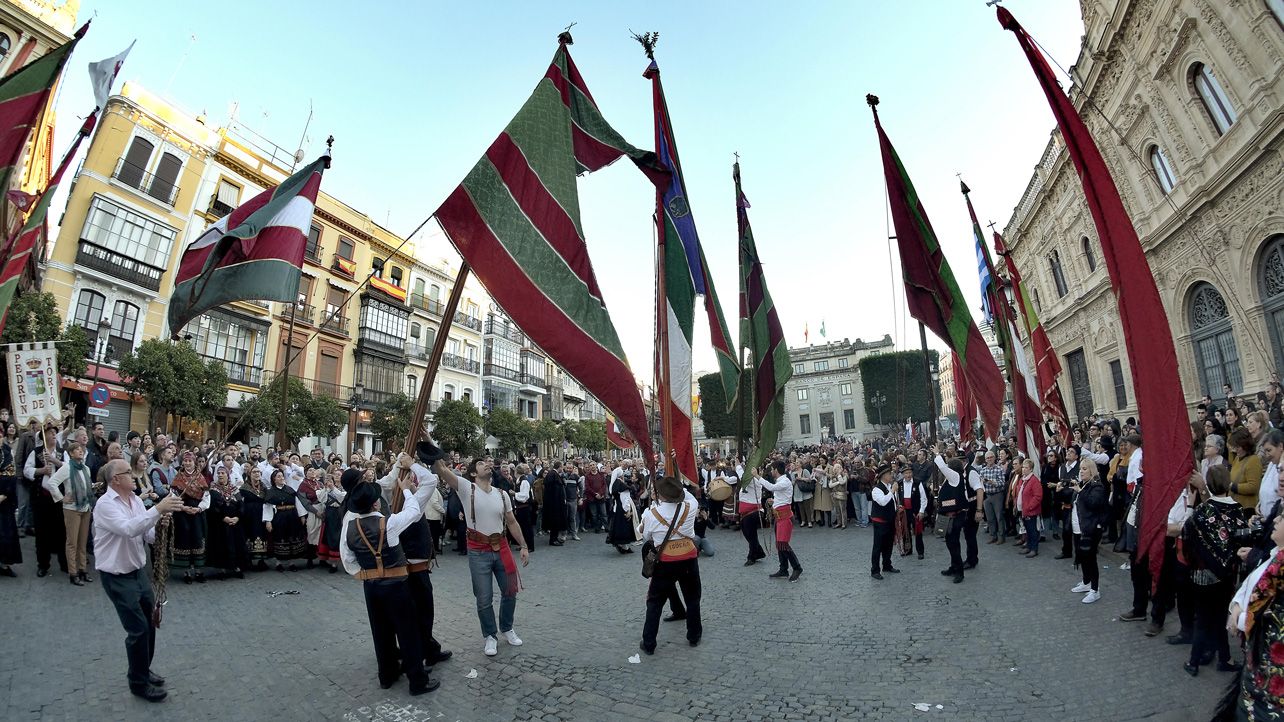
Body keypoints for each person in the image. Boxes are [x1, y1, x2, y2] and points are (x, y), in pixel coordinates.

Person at [94, 458, 185, 702]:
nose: (134, 476)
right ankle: (138, 683)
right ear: (115, 480)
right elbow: (128, 529)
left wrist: (160, 523)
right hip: (117, 577)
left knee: (149, 625)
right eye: (128, 473)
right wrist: (158, 509)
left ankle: (143, 669)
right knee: (137, 630)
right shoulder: (105, 505)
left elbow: (147, 534)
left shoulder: (134, 500)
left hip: (138, 573)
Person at [340, 478, 439, 695]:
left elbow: (348, 561)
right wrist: (405, 490)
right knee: (408, 631)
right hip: (396, 586)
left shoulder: (349, 527)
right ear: (376, 503)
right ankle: (417, 681)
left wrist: (368, 574)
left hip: (371, 586)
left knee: (381, 631)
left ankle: (387, 675)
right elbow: (413, 511)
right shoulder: (389, 523)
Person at [432, 451, 530, 657]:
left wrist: (523, 545)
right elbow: (441, 468)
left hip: (501, 546)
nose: (487, 464)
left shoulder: (501, 494)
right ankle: (490, 636)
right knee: (483, 598)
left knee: (510, 591)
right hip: (478, 550)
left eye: (487, 463)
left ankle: (507, 628)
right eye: (480, 464)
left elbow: (511, 522)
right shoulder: (468, 488)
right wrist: (430, 443)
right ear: (473, 474)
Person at [1180, 465, 1244, 677]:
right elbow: (1241, 542)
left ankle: (1194, 661)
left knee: (1204, 619)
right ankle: (1223, 658)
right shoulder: (1238, 510)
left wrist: (1195, 562)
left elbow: (1186, 536)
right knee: (1218, 617)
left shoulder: (1202, 511)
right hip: (1225, 576)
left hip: (1202, 575)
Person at [638, 475, 702, 654]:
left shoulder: (652, 514)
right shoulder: (690, 507)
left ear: (662, 495)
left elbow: (646, 537)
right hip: (688, 558)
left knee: (655, 602)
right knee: (693, 598)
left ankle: (649, 643)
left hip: (665, 561)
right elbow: (689, 496)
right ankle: (694, 635)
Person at [1228, 514, 1284, 719]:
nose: (1276, 520)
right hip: (1257, 670)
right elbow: (1249, 586)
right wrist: (1236, 608)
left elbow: (1274, 622)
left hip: (1271, 688)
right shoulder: (1276, 556)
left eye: (1283, 518)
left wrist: (1240, 618)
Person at [45, 440, 97, 586]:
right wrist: (62, 498)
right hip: (72, 509)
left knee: (82, 542)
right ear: (71, 453)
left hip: (85, 507)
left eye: (81, 449)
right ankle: (73, 573)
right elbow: (52, 483)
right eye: (77, 449)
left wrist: (93, 487)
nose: (81, 451)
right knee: (72, 542)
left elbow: (85, 485)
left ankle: (83, 570)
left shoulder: (85, 468)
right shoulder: (67, 468)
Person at [24, 423, 67, 577]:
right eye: (50, 432)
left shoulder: (62, 452)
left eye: (55, 432)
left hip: (59, 499)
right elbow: (27, 470)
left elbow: (69, 468)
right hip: (41, 497)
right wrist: (40, 470)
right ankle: (43, 564)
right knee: (42, 533)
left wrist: (55, 461)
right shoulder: (36, 453)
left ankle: (64, 563)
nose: (54, 434)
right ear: (43, 436)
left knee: (62, 531)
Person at [1069, 461, 1110, 604]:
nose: (1081, 471)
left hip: (1090, 529)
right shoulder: (1083, 485)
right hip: (1078, 528)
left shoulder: (1097, 486)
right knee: (1082, 556)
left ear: (1092, 471)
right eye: (1080, 469)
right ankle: (1086, 582)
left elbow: (1093, 503)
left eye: (1084, 469)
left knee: (1090, 558)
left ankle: (1095, 589)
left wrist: (1080, 491)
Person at [169, 451, 210, 584]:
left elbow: (206, 497)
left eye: (190, 461)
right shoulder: (178, 477)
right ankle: (186, 572)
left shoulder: (200, 477)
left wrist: (198, 509)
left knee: (197, 539)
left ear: (194, 462)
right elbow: (173, 495)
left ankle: (198, 571)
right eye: (185, 461)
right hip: (182, 513)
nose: (187, 463)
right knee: (184, 540)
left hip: (197, 513)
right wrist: (183, 508)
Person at [761, 460, 802, 581]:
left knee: (783, 544)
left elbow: (771, 487)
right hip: (780, 516)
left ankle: (797, 567)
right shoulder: (781, 481)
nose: (771, 471)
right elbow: (783, 497)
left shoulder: (784, 481)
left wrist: (758, 477)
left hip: (784, 517)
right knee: (780, 544)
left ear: (776, 470)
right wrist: (774, 501)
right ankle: (783, 569)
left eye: (772, 469)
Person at [933, 446, 968, 583]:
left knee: (954, 544)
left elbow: (942, 467)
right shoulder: (952, 479)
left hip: (954, 516)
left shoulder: (955, 476)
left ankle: (959, 571)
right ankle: (954, 567)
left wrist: (937, 453)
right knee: (950, 543)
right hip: (947, 516)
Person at [206, 465, 246, 580]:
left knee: (236, 544)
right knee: (221, 545)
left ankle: (236, 567)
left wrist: (237, 517)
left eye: (223, 473)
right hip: (220, 524)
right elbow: (212, 507)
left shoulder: (234, 489)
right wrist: (223, 517)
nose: (220, 475)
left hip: (235, 523)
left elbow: (241, 504)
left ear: (228, 476)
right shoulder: (213, 490)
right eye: (218, 474)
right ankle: (222, 569)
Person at [265, 468, 307, 571]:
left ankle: (291, 563)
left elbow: (298, 503)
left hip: (292, 517)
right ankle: (279, 563)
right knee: (280, 538)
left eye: (282, 476)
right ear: (274, 479)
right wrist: (268, 521)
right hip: (279, 518)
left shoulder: (290, 489)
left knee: (291, 537)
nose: (281, 478)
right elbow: (268, 507)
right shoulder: (271, 492)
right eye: (278, 476)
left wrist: (302, 516)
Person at [868, 463, 900, 580]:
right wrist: (892, 491)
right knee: (878, 546)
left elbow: (893, 502)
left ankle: (887, 565)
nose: (891, 475)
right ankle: (875, 570)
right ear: (883, 476)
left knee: (888, 545)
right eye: (889, 473)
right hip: (880, 522)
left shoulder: (889, 486)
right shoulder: (876, 489)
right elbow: (883, 501)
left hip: (890, 520)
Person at [240, 466, 271, 571]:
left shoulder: (264, 487)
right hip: (249, 516)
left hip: (261, 515)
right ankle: (249, 560)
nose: (257, 474)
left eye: (258, 472)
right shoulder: (244, 488)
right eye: (254, 472)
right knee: (250, 535)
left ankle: (261, 560)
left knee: (262, 535)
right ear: (249, 474)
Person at [0, 424, 20, 576]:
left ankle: (4, 565)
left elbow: (10, 475)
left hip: (4, 499)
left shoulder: (7, 453)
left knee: (5, 533)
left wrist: (4, 494)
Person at [898, 465, 930, 560]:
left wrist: (921, 511)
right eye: (906, 473)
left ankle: (920, 551)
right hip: (904, 511)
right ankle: (907, 549)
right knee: (905, 531)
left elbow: (923, 498)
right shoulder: (899, 484)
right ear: (903, 474)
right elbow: (897, 497)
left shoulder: (917, 483)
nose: (908, 475)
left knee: (918, 532)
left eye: (910, 473)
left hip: (915, 511)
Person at [737, 467, 767, 565]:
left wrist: (738, 465)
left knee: (751, 535)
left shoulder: (754, 481)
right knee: (749, 534)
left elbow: (742, 474)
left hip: (753, 512)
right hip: (746, 513)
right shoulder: (748, 481)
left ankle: (751, 557)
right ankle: (759, 552)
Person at [606, 464, 638, 554]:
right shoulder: (621, 484)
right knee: (624, 526)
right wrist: (627, 510)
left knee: (618, 524)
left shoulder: (614, 484)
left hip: (617, 507)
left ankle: (623, 545)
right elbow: (625, 498)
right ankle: (623, 545)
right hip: (622, 507)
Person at [977, 450, 1007, 545]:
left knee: (999, 517)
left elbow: (1002, 484)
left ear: (994, 458)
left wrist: (992, 482)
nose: (989, 459)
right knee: (990, 518)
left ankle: (1002, 536)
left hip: (997, 495)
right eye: (987, 458)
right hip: (987, 496)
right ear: (985, 459)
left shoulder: (999, 469)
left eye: (991, 457)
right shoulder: (983, 470)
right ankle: (993, 536)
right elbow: (980, 484)